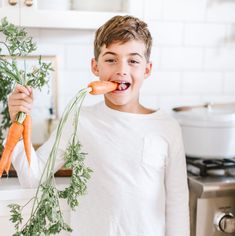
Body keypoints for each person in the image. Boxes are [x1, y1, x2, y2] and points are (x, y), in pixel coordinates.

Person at [8, 15, 189, 236]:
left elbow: (177, 206)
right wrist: (19, 119)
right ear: (95, 66)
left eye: (133, 60)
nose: (122, 70)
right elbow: (32, 178)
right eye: (111, 59)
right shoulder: (79, 119)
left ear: (147, 69)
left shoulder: (166, 127)